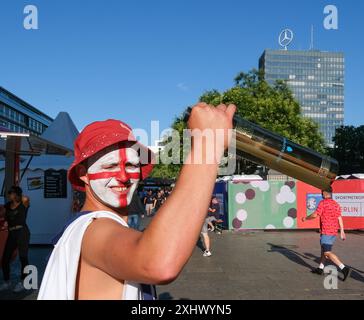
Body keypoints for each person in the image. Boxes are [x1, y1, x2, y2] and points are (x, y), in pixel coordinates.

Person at [38, 103, 236, 299]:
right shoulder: (94, 230)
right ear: (83, 174)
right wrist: (209, 144)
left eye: (132, 165)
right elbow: (159, 264)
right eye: (111, 165)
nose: (124, 176)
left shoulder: (88, 228)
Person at [302, 187, 351, 281]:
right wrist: (342, 231)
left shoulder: (323, 203)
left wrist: (305, 218)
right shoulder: (336, 204)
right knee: (323, 249)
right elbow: (339, 217)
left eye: (322, 193)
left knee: (327, 253)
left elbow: (315, 215)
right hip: (333, 232)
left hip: (327, 231)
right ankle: (320, 268)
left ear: (324, 193)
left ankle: (343, 268)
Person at [0, 186, 30, 293]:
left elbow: (26, 198)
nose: (9, 195)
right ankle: (7, 282)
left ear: (16, 194)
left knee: (23, 258)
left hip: (23, 232)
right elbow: (1, 212)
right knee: (5, 259)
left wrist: (18, 194)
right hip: (12, 233)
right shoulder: (7, 206)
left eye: (11, 193)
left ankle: (23, 282)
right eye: (9, 193)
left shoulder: (23, 203)